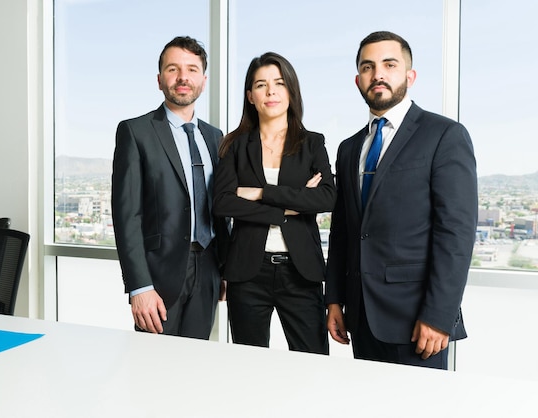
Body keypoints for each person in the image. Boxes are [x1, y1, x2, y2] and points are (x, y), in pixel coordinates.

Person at [325, 31, 478, 369]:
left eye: (389, 65)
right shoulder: (349, 148)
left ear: (410, 76)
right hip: (360, 317)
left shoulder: (444, 136)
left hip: (418, 322)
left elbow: (456, 233)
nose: (378, 74)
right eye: (368, 67)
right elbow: (343, 231)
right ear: (358, 80)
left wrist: (439, 315)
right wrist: (334, 298)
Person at [213, 52, 336, 354]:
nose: (270, 91)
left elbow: (327, 197)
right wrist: (290, 207)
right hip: (247, 274)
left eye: (279, 83)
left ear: (291, 91)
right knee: (248, 366)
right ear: (250, 96)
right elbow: (223, 203)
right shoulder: (235, 145)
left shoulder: (312, 143)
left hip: (301, 272)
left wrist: (260, 193)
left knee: (313, 363)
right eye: (261, 85)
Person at [112, 36, 228, 339]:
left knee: (196, 365)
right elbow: (127, 217)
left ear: (203, 80)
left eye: (191, 69)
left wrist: (225, 271)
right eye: (173, 69)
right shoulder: (136, 132)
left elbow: (222, 210)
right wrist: (139, 287)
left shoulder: (217, 138)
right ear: (160, 79)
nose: (182, 77)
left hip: (209, 269)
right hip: (159, 276)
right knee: (152, 368)